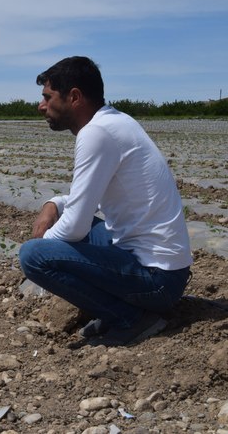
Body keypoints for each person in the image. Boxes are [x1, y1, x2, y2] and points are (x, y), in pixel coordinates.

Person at [18, 56, 193, 346]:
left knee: (33, 256)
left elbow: (74, 227)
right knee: (68, 229)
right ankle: (124, 309)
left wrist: (43, 246)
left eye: (47, 97)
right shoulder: (113, 122)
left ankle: (129, 317)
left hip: (158, 279)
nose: (41, 105)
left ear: (74, 97)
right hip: (164, 269)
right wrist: (54, 205)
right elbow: (81, 203)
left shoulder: (96, 133)